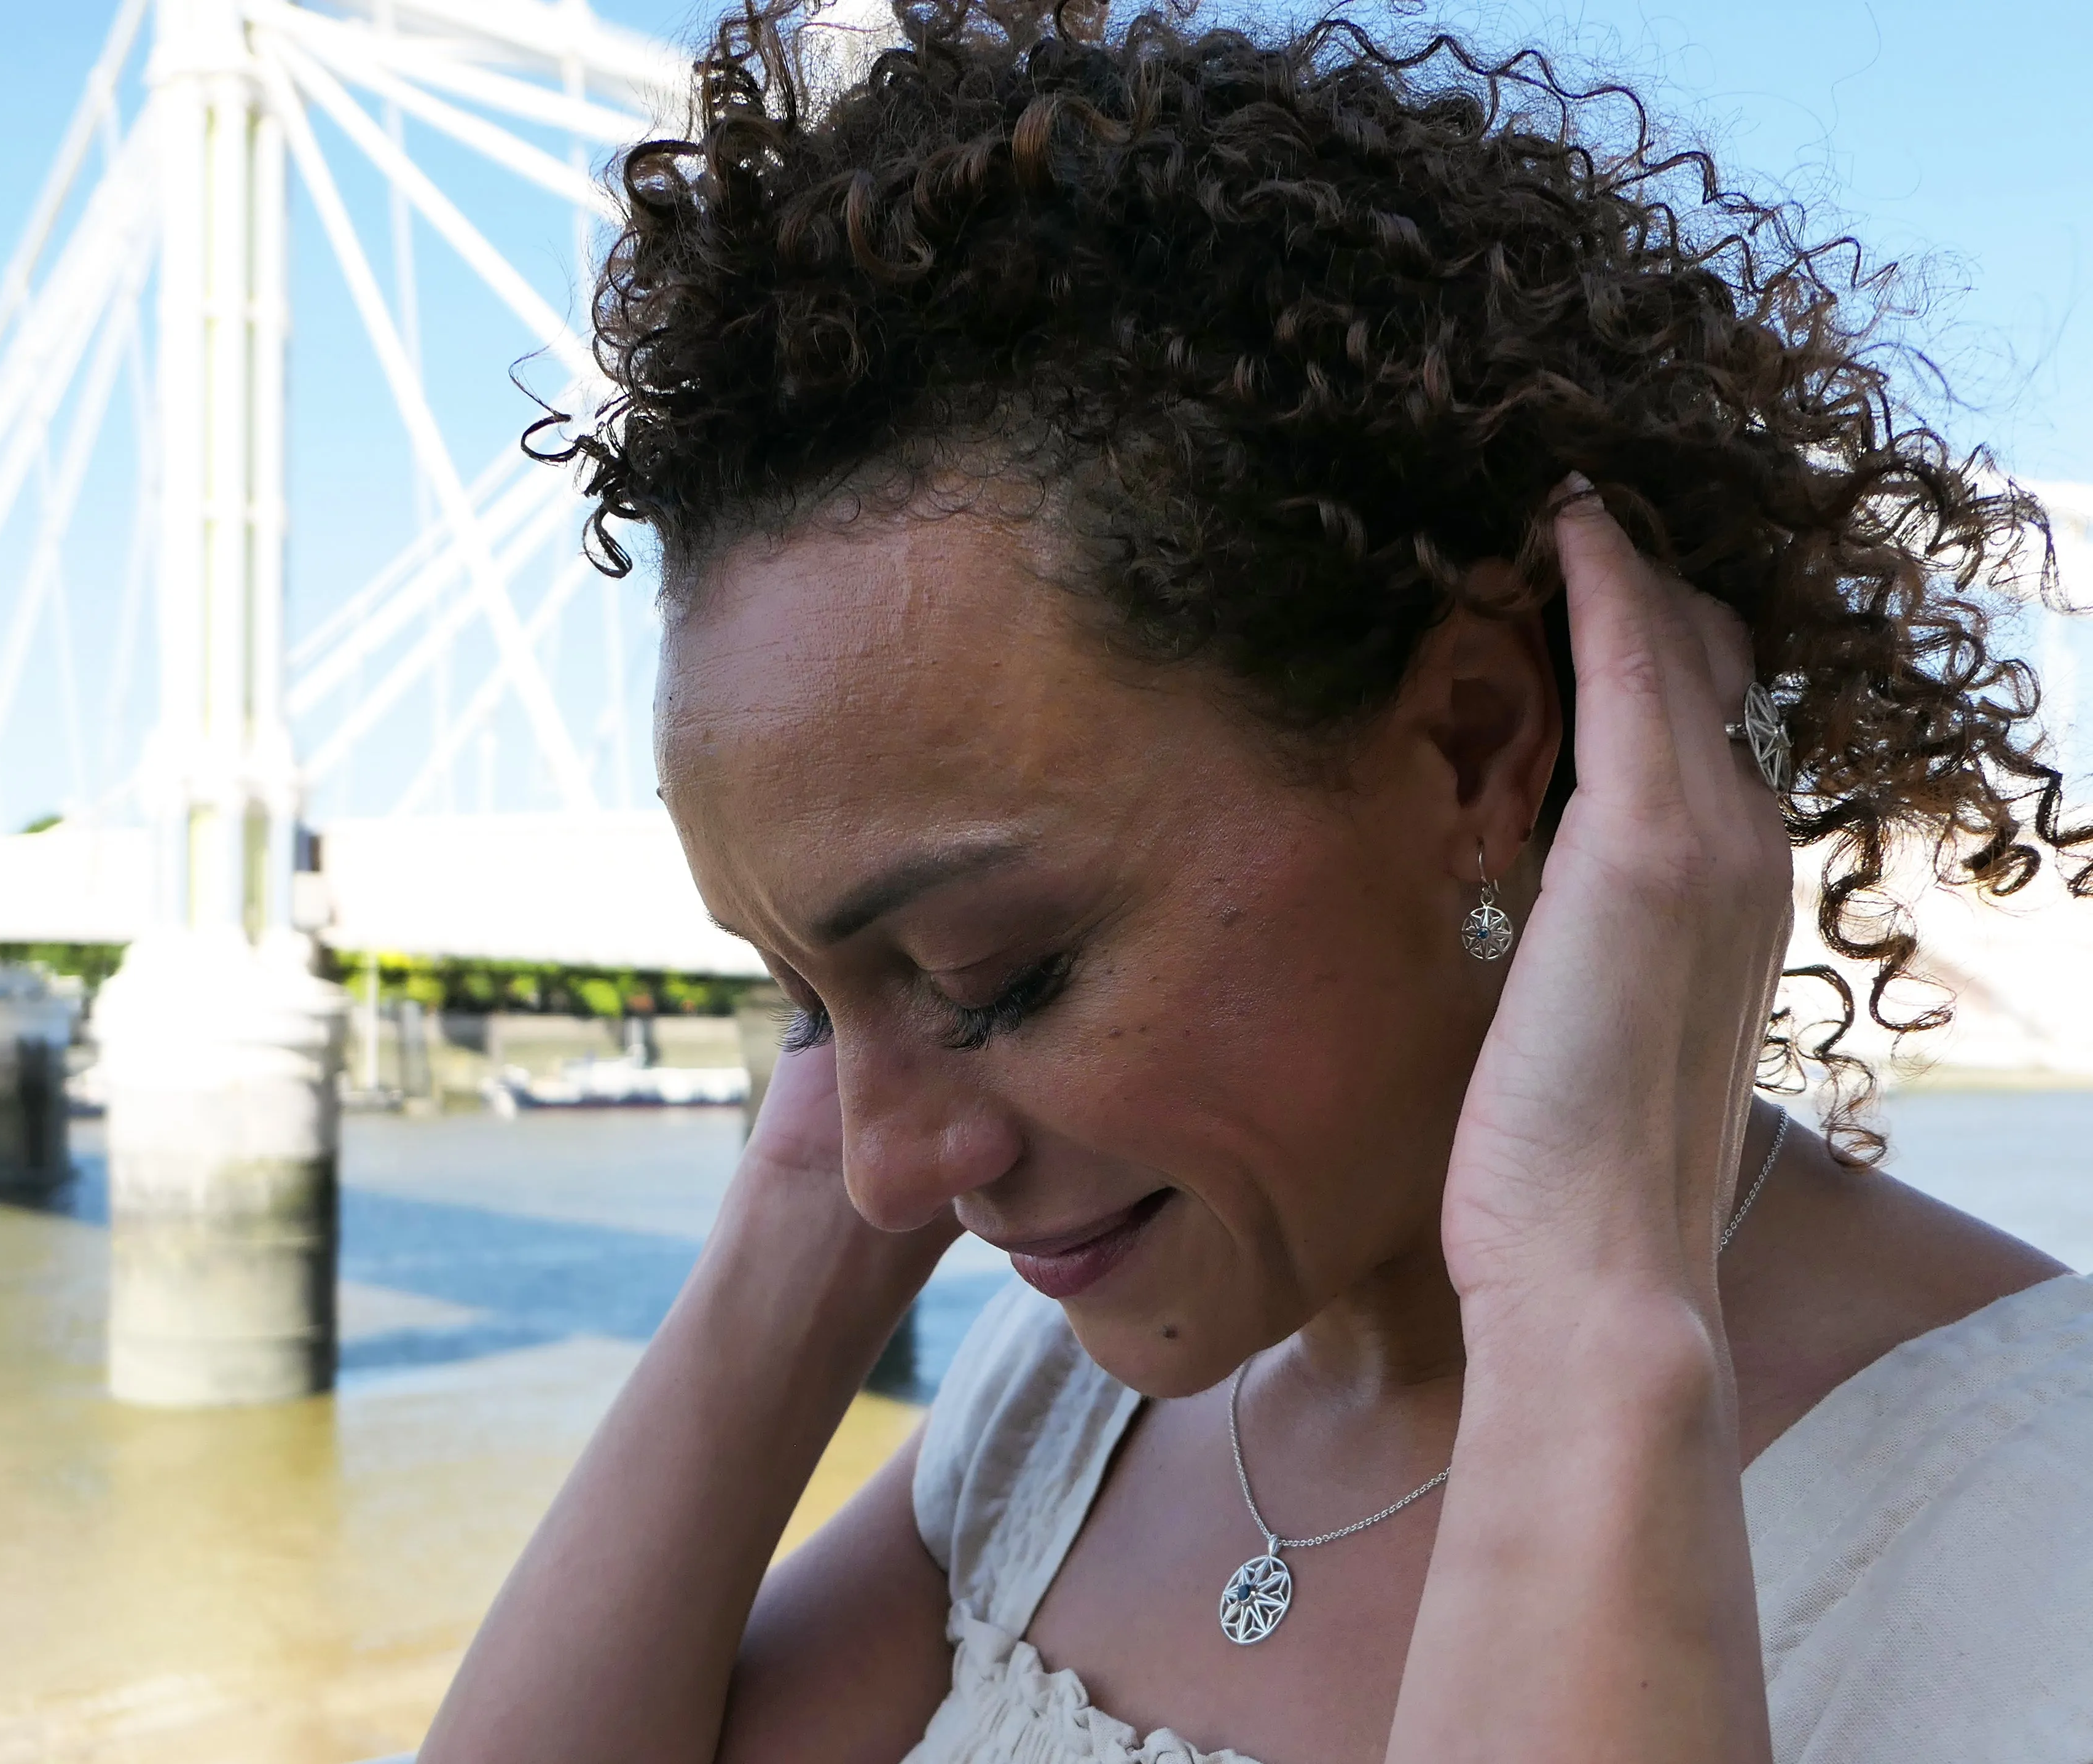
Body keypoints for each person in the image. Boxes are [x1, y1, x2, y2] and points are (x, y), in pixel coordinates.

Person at [420, 4, 2093, 1759]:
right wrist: (791, 1228)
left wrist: (1589, 1325)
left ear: (1468, 744)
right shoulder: (1066, 1408)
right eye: (803, 1004)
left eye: (994, 969)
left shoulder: (2023, 1534)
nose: (886, 1162)